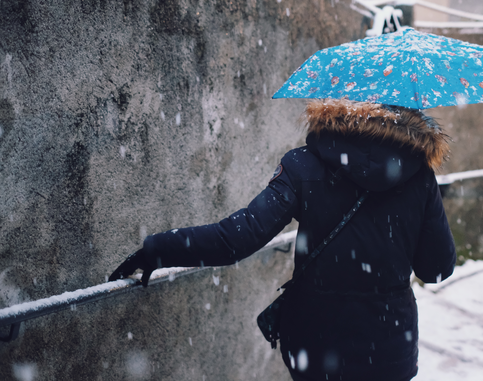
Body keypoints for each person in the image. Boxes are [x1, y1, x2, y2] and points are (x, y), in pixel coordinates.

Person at [109, 98, 456, 381]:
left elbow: (236, 239)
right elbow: (437, 269)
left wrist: (158, 249)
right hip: (388, 348)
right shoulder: (418, 176)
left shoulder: (306, 163)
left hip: (316, 344)